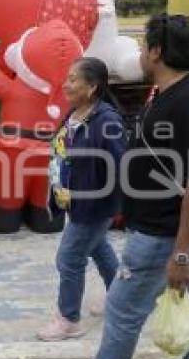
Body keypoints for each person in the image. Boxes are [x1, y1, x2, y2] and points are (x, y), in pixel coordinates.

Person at [48, 14, 189, 359]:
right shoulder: (167, 93)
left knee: (123, 311)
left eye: (145, 45)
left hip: (162, 233)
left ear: (158, 51)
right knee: (186, 300)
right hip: (156, 226)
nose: (141, 52)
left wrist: (181, 253)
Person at [38, 57, 126, 341]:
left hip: (93, 205)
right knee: (98, 247)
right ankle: (119, 296)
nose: (66, 84)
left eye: (73, 79)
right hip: (73, 201)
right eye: (67, 78)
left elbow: (121, 165)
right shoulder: (75, 113)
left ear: (92, 86)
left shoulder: (107, 121)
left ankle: (69, 320)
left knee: (69, 258)